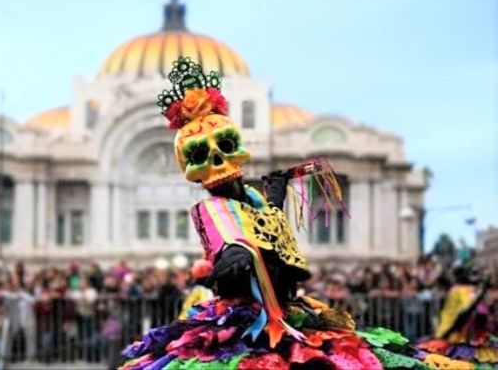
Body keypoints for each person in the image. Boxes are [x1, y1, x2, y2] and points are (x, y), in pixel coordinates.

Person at [120, 57, 464, 369]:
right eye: (199, 155)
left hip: (286, 314)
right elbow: (236, 244)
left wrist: (273, 201)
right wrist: (234, 254)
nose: (217, 163)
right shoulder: (212, 207)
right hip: (249, 324)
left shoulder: (254, 199)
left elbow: (281, 252)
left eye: (225, 147)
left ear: (238, 149)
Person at [417, 257, 497, 367]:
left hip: (457, 335)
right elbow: (469, 310)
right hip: (453, 337)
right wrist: (483, 295)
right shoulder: (462, 290)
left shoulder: (460, 288)